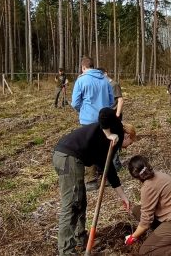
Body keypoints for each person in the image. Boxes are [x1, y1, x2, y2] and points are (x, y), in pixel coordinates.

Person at [52, 107, 136, 256]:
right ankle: (66, 250)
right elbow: (104, 113)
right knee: (71, 204)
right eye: (131, 142)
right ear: (127, 135)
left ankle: (81, 239)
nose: (128, 146)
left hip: (68, 157)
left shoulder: (106, 146)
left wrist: (123, 197)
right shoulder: (116, 127)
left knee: (80, 201)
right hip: (68, 156)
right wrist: (109, 134)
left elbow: (109, 171)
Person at [123, 155, 171, 256]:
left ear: (134, 176)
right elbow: (147, 208)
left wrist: (132, 237)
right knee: (137, 210)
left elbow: (145, 222)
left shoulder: (148, 187)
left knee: (145, 251)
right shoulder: (159, 175)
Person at [71, 56, 114, 125]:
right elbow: (112, 101)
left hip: (87, 120)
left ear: (83, 67)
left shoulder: (81, 80)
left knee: (89, 136)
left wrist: (83, 110)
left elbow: (75, 103)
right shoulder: (106, 80)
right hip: (104, 119)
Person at [102, 68, 124, 171]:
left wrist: (117, 115)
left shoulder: (114, 85)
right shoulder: (103, 85)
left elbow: (120, 100)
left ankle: (116, 164)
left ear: (106, 73)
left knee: (115, 139)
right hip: (107, 116)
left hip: (114, 115)